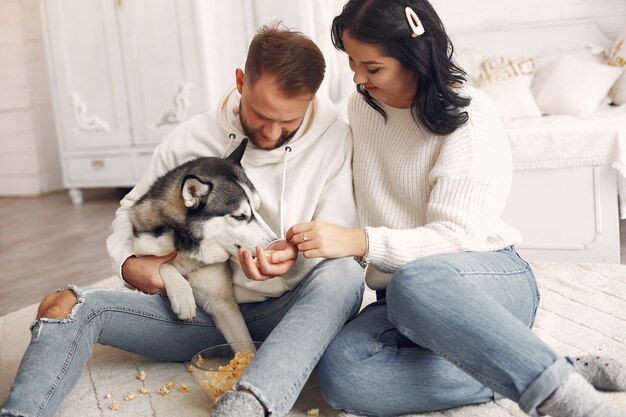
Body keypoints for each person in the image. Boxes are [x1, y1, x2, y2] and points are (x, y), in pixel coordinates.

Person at [1, 23, 365, 417]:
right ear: (240, 81)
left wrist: (292, 257)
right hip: (200, 313)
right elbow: (131, 210)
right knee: (63, 306)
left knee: (344, 274)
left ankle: (247, 404)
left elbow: (334, 240)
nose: (270, 131)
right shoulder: (190, 137)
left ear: (311, 101)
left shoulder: (335, 140)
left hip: (292, 311)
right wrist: (128, 263)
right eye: (261, 114)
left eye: (288, 121)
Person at [284, 1, 626, 416]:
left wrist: (359, 241)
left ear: (415, 56)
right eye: (352, 63)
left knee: (415, 280)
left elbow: (455, 237)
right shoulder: (362, 108)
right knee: (344, 375)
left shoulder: (470, 112)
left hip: (486, 279)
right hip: (399, 295)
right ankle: (556, 368)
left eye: (372, 68)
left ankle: (564, 399)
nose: (357, 78)